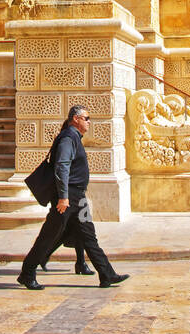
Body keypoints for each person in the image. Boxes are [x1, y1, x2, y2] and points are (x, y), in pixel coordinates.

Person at [17, 105, 128, 290]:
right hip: (68, 198)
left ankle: (106, 274)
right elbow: (62, 167)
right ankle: (27, 273)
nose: (89, 121)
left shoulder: (74, 137)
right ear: (75, 119)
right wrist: (63, 197)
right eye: (86, 118)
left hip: (79, 198)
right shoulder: (68, 138)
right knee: (48, 235)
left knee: (89, 236)